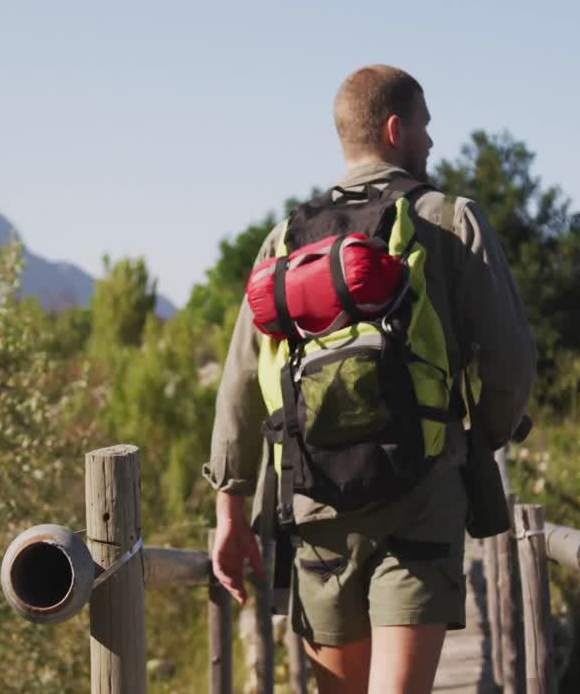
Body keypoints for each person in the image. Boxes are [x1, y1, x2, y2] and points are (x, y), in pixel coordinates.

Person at [203, 64, 536, 694]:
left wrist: (230, 512)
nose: (432, 141)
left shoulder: (285, 239)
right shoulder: (450, 220)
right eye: (425, 125)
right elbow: (512, 361)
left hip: (315, 498)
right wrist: (475, 439)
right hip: (420, 490)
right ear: (394, 128)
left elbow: (242, 380)